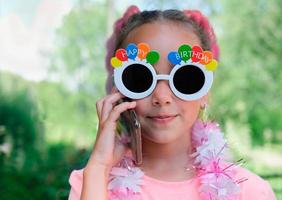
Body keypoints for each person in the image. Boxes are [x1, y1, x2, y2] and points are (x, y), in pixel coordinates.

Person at [68, 5, 277, 200]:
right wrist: (98, 168)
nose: (162, 97)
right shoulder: (91, 183)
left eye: (185, 78)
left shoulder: (248, 191)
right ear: (120, 90)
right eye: (141, 78)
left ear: (205, 92)